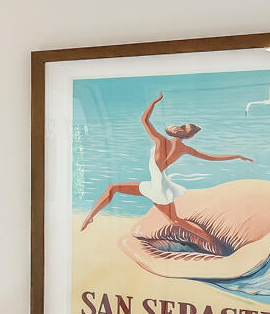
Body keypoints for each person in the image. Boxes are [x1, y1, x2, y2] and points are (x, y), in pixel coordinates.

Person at [80, 93, 252, 246]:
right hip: (156, 183)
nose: (178, 126)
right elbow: (212, 158)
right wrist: (236, 156)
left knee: (176, 220)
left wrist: (155, 102)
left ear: (184, 133)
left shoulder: (161, 141)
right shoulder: (182, 148)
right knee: (113, 188)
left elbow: (144, 120)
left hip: (158, 186)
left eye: (182, 126)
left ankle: (214, 243)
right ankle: (90, 217)